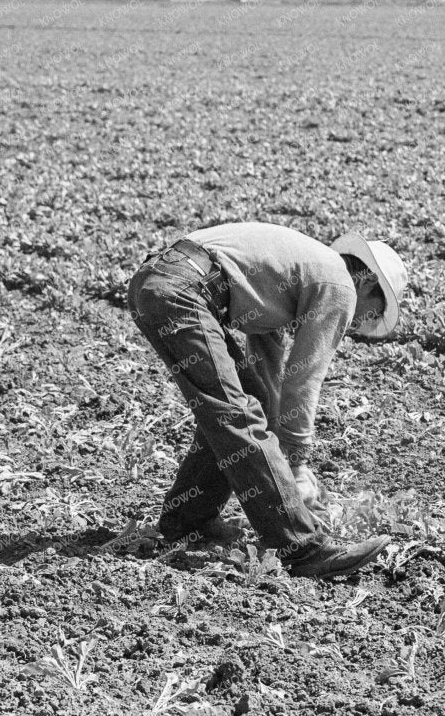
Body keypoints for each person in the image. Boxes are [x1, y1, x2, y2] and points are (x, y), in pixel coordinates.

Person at [126, 222, 407, 581]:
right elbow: (303, 382)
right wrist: (297, 466)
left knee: (239, 407)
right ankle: (303, 549)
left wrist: (282, 450)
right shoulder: (340, 287)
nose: (356, 325)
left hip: (164, 280)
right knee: (235, 415)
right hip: (182, 290)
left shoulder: (296, 274)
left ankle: (189, 520)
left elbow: (267, 380)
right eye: (371, 313)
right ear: (367, 283)